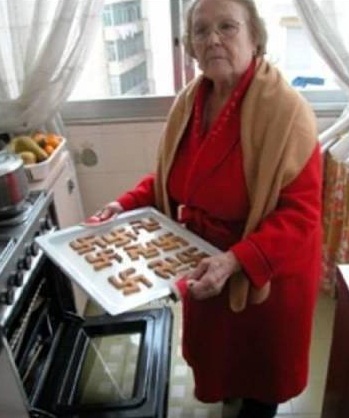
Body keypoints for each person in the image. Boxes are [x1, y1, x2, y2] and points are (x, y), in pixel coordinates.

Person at [90, 0, 322, 417]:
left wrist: (237, 260)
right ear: (191, 47)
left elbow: (302, 216)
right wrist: (122, 204)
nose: (213, 39)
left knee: (259, 374)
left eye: (227, 27)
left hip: (264, 273)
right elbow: (170, 181)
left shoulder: (288, 113)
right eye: (201, 31)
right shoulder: (188, 102)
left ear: (255, 37)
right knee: (221, 360)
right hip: (201, 260)